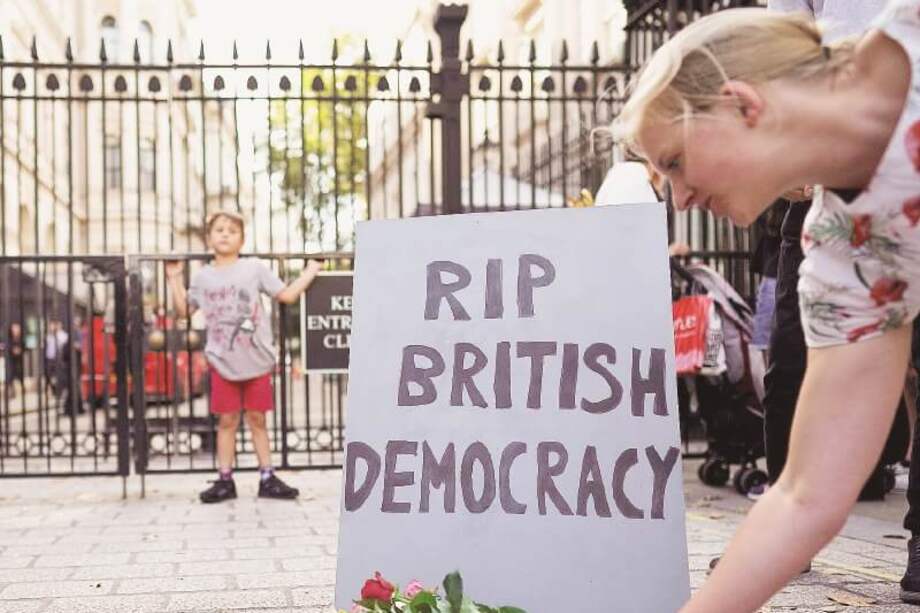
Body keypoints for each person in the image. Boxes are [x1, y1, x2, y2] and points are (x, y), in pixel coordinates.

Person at [613, 0, 919, 610]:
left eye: (674, 162)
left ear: (742, 104)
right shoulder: (841, 252)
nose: (682, 197)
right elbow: (806, 494)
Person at [166, 210, 323, 504]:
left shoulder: (253, 268)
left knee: (257, 419)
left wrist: (311, 269)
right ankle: (225, 479)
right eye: (219, 230)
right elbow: (184, 310)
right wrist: (174, 277)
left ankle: (267, 476)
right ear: (209, 237)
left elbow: (286, 295)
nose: (225, 234)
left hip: (256, 359)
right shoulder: (203, 276)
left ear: (242, 239)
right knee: (227, 421)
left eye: (232, 230)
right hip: (223, 362)